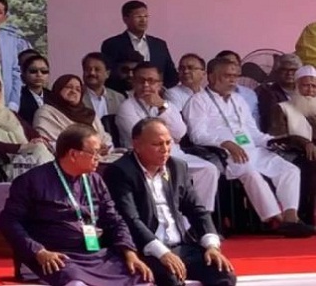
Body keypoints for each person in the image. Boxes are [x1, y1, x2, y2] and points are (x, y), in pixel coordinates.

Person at [0, 124, 153, 286]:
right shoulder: (32, 181)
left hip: (95, 255)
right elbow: (9, 222)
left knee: (140, 276)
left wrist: (129, 252)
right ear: (73, 154)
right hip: (55, 256)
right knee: (75, 282)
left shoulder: (95, 180)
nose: (99, 158)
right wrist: (38, 251)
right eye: (94, 152)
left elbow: (114, 220)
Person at [183, 57, 313, 237]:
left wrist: (272, 140)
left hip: (252, 149)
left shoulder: (238, 99)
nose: (233, 80)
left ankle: (291, 217)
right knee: (251, 172)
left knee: (289, 170)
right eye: (227, 76)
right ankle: (276, 220)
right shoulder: (198, 101)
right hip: (225, 154)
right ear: (211, 77)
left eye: (235, 76)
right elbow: (197, 135)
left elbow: (253, 132)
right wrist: (225, 143)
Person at [104, 118, 236, 286]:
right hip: (146, 249)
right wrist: (162, 253)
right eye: (157, 144)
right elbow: (131, 219)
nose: (165, 149)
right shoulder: (120, 171)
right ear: (136, 145)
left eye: (168, 143)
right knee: (171, 278)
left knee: (223, 273)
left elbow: (197, 210)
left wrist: (211, 246)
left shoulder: (177, 167)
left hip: (181, 246)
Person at [115, 63, 219, 211]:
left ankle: (200, 217)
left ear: (159, 84)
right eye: (141, 80)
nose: (146, 85)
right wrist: (170, 137)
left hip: (174, 153)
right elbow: (143, 137)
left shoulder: (166, 105)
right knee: (172, 171)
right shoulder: (127, 107)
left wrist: (162, 107)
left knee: (208, 170)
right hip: (144, 158)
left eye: (151, 81)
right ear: (133, 82)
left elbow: (180, 132)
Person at [266, 65, 316, 224]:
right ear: (296, 86)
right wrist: (304, 142)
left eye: (314, 86)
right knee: (309, 165)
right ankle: (303, 217)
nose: (310, 90)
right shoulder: (282, 108)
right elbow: (278, 137)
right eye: (305, 85)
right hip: (292, 154)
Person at [101, 0, 178, 88]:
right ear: (125, 19)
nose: (143, 20)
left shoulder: (159, 45)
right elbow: (109, 75)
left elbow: (171, 75)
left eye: (146, 16)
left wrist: (160, 89)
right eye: (138, 17)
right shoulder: (112, 44)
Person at [34, 74, 114, 153]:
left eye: (78, 89)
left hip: (99, 156)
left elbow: (105, 137)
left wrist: (105, 147)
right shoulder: (46, 112)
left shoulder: (89, 114)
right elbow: (48, 143)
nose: (73, 91)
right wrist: (87, 148)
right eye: (68, 87)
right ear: (58, 89)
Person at [256, 53, 302, 132]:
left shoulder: (305, 91)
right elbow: (271, 121)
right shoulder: (268, 93)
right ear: (277, 72)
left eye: (293, 70)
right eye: (284, 69)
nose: (289, 73)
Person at [215, 50, 260, 124]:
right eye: (225, 64)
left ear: (240, 69)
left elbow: (255, 124)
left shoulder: (250, 95)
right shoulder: (204, 97)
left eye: (233, 64)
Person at [80, 52, 125, 119]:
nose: (92, 73)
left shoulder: (118, 98)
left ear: (107, 74)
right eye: (88, 69)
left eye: (97, 69)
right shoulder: (77, 96)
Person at [17, 54, 51, 124]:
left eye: (44, 71)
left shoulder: (53, 97)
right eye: (33, 71)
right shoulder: (18, 96)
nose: (39, 74)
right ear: (23, 75)